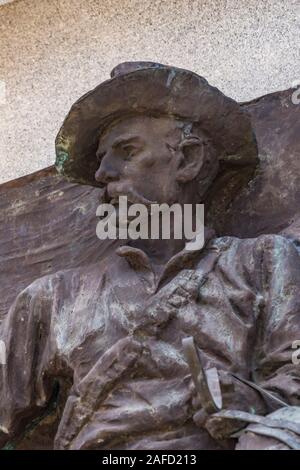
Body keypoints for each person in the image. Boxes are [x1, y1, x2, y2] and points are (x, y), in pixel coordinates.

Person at [1, 62, 300, 450]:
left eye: (127, 150)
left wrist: (251, 400)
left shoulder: (263, 263)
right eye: (101, 161)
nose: (104, 173)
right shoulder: (52, 299)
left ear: (188, 159)